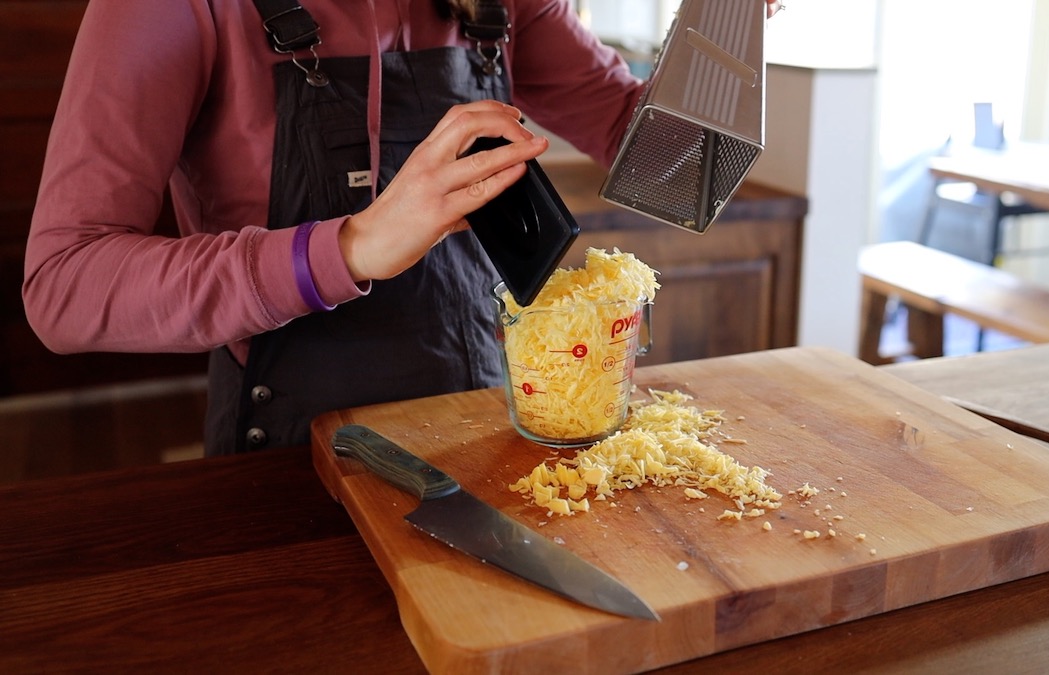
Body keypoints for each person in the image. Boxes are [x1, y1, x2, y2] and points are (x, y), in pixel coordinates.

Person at [24, 0, 782, 457]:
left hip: (492, 426)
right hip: (296, 453)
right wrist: (349, 248)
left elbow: (672, 170)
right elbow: (64, 285)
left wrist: (727, 24)